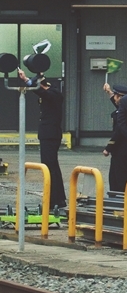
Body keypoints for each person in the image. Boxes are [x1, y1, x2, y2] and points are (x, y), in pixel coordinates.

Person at [18, 69, 67, 210]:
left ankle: (55, 200)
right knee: (51, 166)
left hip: (50, 135)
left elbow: (40, 91)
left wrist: (27, 80)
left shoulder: (55, 94)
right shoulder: (50, 94)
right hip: (48, 135)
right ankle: (57, 199)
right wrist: (28, 78)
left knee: (50, 167)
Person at [102, 83, 127, 192]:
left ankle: (121, 199)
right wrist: (109, 91)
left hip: (121, 149)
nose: (114, 98)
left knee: (119, 176)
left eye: (116, 96)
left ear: (121, 98)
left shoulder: (122, 111)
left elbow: (118, 133)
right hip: (123, 149)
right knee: (115, 175)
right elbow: (117, 104)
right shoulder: (126, 108)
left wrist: (108, 148)